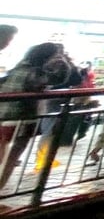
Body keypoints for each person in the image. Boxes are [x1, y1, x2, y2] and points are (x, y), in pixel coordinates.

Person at [0, 43, 68, 188]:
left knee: (3, 157)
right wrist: (63, 63)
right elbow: (58, 79)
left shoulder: (18, 68)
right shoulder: (35, 72)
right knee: (11, 159)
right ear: (46, 56)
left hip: (4, 117)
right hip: (22, 119)